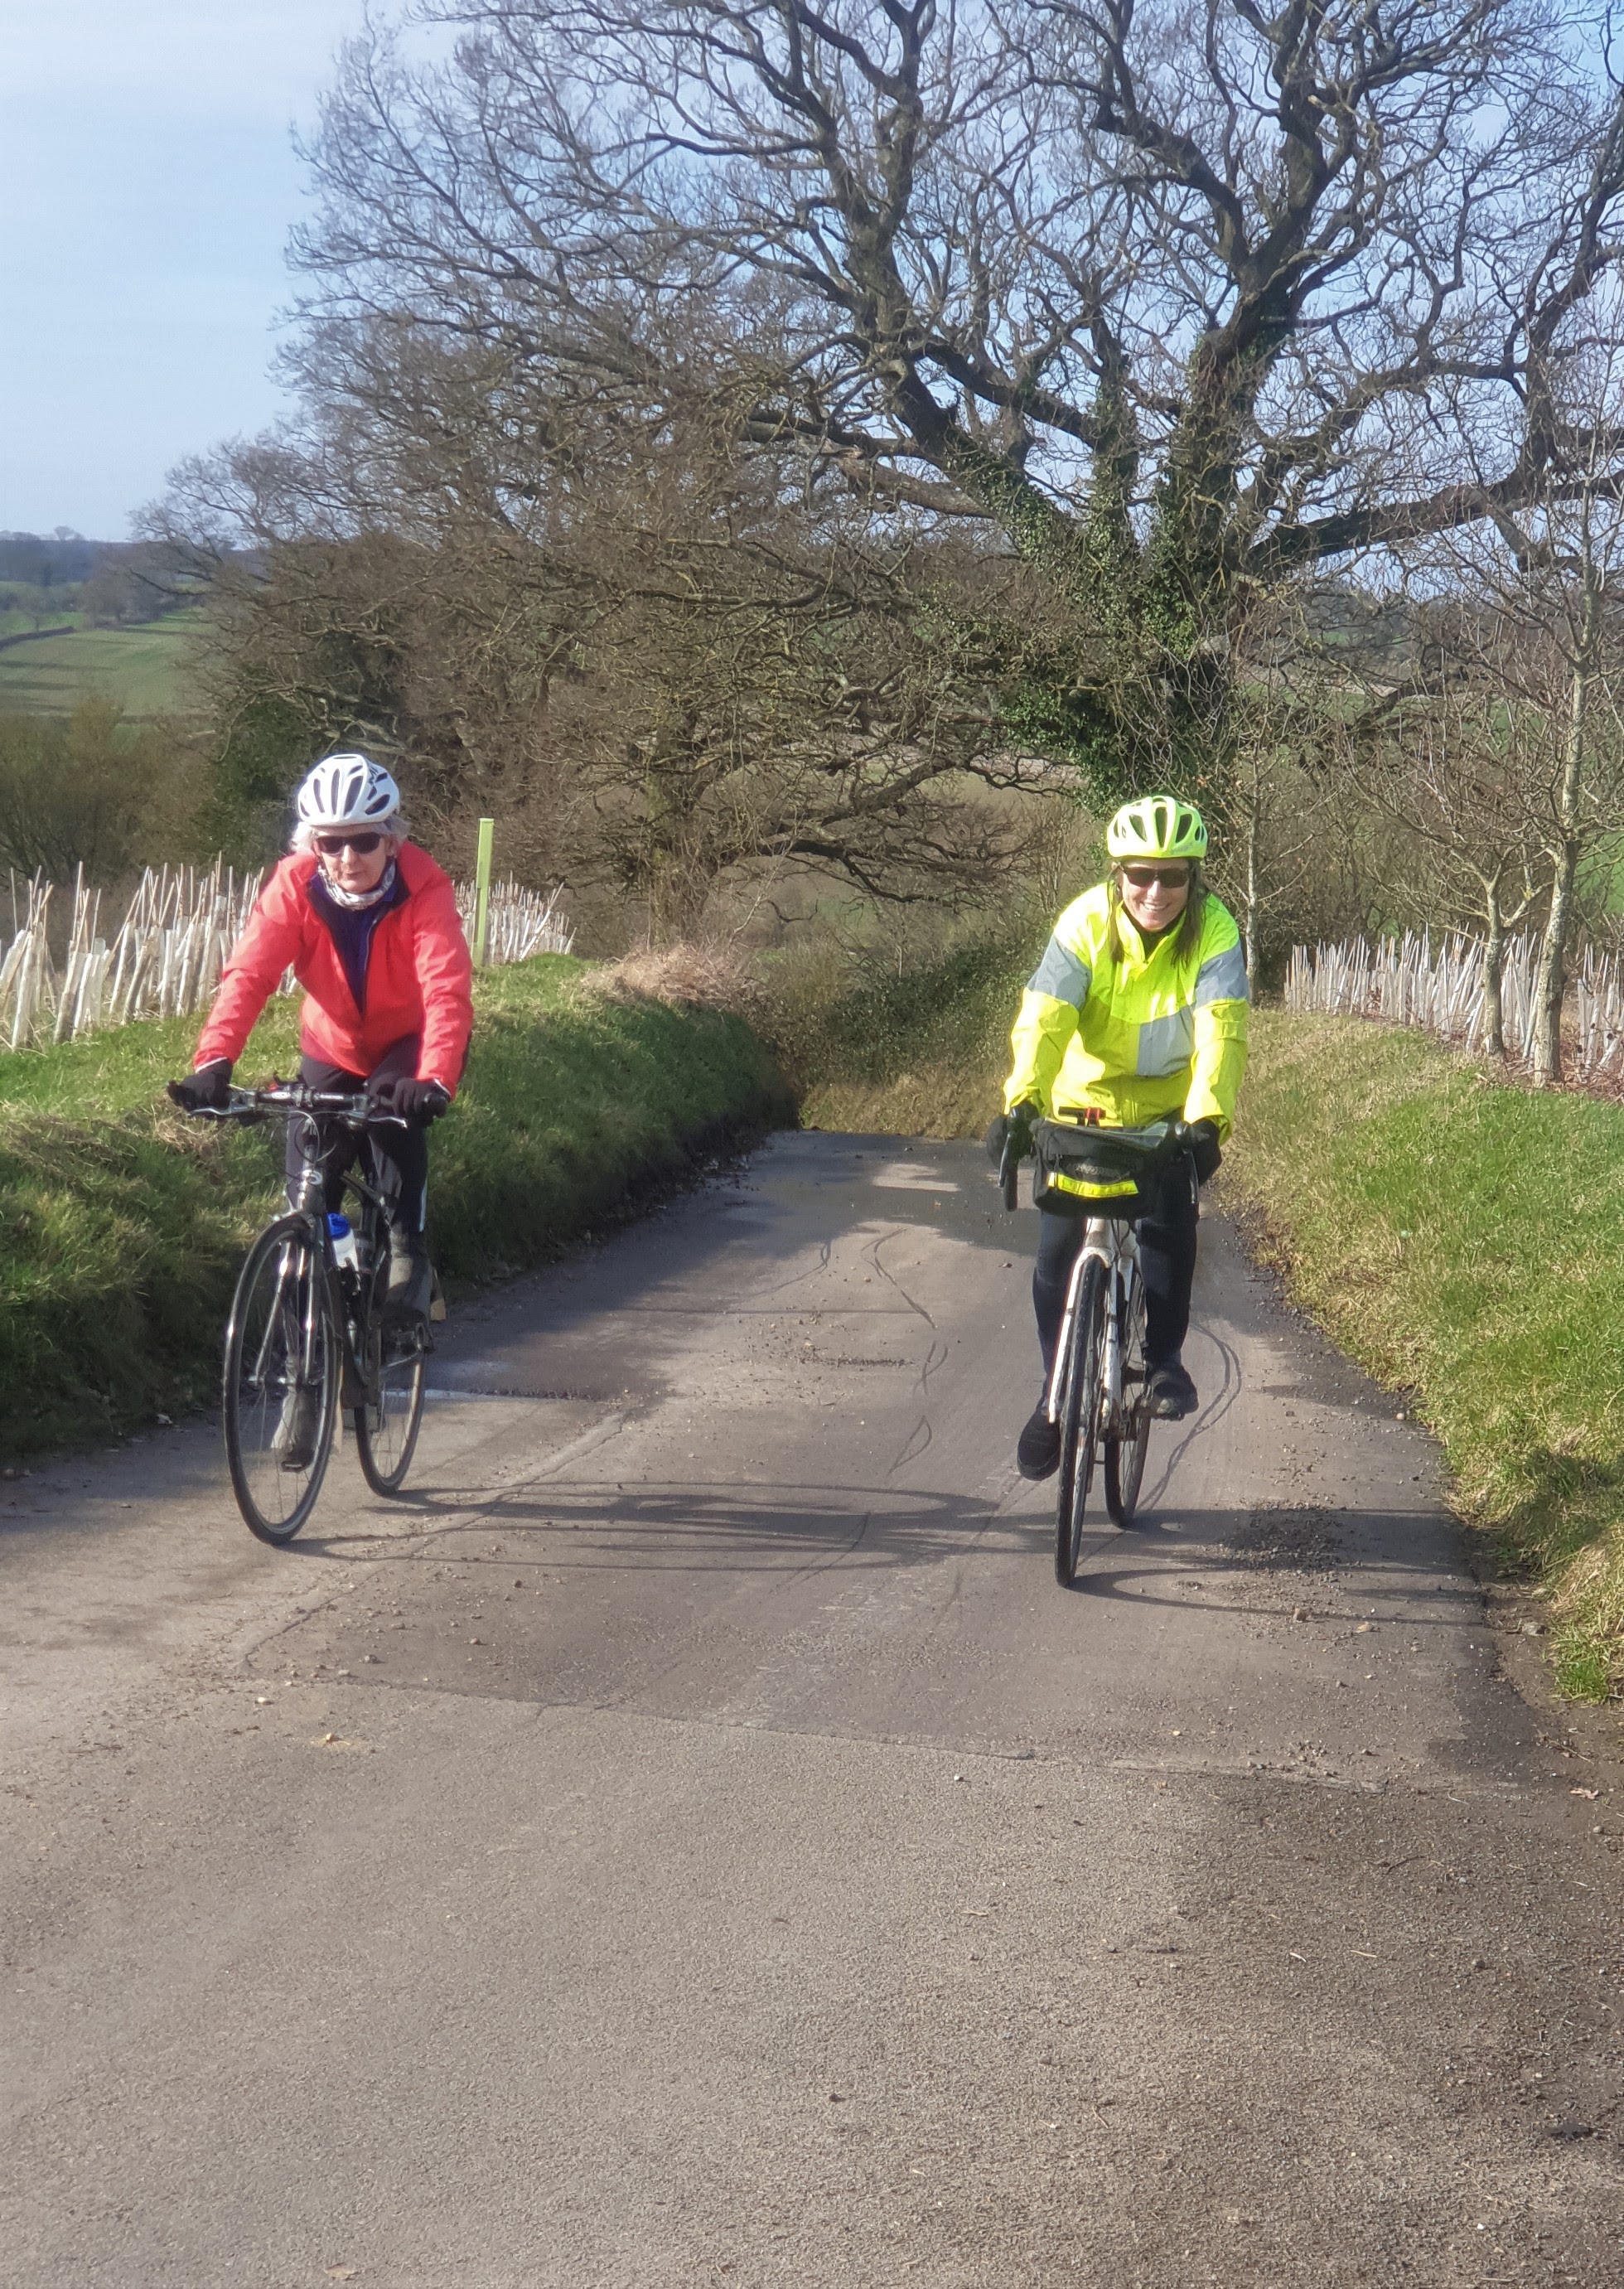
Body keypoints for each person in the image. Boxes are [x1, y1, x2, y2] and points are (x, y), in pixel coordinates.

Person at [167, 752, 475, 1330]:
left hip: (407, 1042)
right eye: (331, 843)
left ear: (391, 840)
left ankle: (407, 1252)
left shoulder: (424, 887)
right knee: (308, 1194)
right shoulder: (295, 884)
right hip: (331, 1046)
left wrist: (435, 1077)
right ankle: (303, 1356)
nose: (347, 857)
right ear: (313, 844)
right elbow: (250, 974)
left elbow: (446, 990)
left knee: (393, 1124)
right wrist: (214, 1061)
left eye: (363, 841)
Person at [992, 793, 1248, 1482]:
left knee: (1169, 1225)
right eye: (1140, 874)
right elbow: (1045, 1017)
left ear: (1194, 879)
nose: (1155, 892)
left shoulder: (1216, 932)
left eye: (1172, 877)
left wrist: (1206, 1121)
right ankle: (1053, 1396)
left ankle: (1164, 1363)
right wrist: (1022, 1102)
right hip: (1083, 1110)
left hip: (1165, 1114)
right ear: (1118, 874)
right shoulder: (1084, 921)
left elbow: (1222, 1031)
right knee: (1057, 1252)